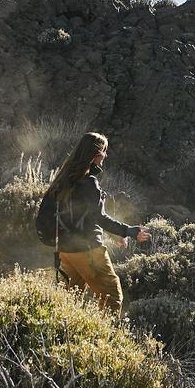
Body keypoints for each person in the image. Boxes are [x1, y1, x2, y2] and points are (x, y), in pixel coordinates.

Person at [44, 132, 148, 314]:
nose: (105, 156)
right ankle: (105, 339)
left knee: (67, 299)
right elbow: (98, 218)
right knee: (112, 297)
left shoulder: (65, 177)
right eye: (104, 151)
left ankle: (61, 336)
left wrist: (114, 233)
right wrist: (129, 231)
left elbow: (81, 215)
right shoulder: (88, 183)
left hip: (66, 250)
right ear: (96, 154)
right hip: (88, 251)